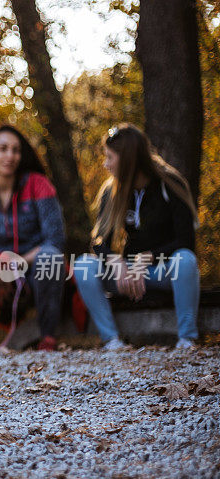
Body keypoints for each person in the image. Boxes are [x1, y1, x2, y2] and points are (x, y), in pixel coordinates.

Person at [74, 123, 200, 350]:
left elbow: (186, 241)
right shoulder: (111, 191)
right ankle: (111, 341)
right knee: (83, 265)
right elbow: (98, 242)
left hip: (163, 271)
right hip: (128, 273)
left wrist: (147, 258)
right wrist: (116, 261)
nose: (106, 164)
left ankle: (186, 339)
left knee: (186, 260)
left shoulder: (169, 184)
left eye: (110, 157)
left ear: (128, 159)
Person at [0, 124, 66, 351]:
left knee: (52, 257)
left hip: (31, 267)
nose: (10, 155)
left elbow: (55, 240)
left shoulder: (39, 184)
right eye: (3, 149)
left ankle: (48, 337)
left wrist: (19, 261)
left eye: (16, 150)